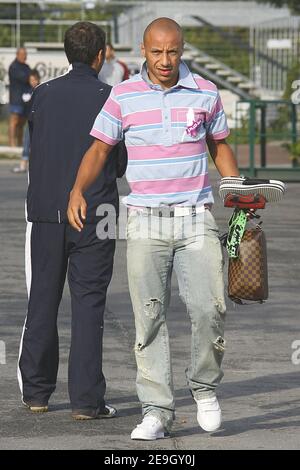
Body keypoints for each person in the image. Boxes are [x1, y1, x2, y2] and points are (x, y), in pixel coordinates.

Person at [68, 17, 240, 438]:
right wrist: (77, 190)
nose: (166, 60)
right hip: (144, 221)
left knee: (209, 308)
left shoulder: (206, 93)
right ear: (143, 51)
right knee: (149, 318)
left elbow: (220, 145)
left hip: (196, 217)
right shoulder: (123, 97)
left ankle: (204, 389)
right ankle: (156, 412)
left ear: (183, 50)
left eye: (174, 52)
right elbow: (98, 149)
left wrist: (237, 195)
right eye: (157, 52)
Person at [18, 22, 127, 420]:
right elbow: (117, 162)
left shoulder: (43, 94)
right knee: (89, 303)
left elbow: (37, 143)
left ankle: (36, 392)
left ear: (67, 54)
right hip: (97, 213)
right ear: (100, 55)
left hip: (46, 212)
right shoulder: (112, 97)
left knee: (42, 300)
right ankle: (86, 399)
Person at [12, 69, 40, 173]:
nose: (33, 82)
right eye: (31, 80)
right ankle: (23, 164)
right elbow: (25, 100)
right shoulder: (27, 90)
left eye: (34, 80)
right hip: (29, 121)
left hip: (39, 121)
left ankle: (37, 166)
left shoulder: (40, 89)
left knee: (38, 144)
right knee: (26, 142)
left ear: (38, 79)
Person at [8, 47, 31, 147]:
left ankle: (20, 143)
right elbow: (26, 78)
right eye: (22, 54)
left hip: (25, 98)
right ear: (17, 55)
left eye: (25, 54)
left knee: (22, 123)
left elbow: (31, 79)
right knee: (14, 121)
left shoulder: (26, 67)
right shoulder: (13, 67)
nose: (24, 56)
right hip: (16, 98)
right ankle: (11, 144)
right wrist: (29, 78)